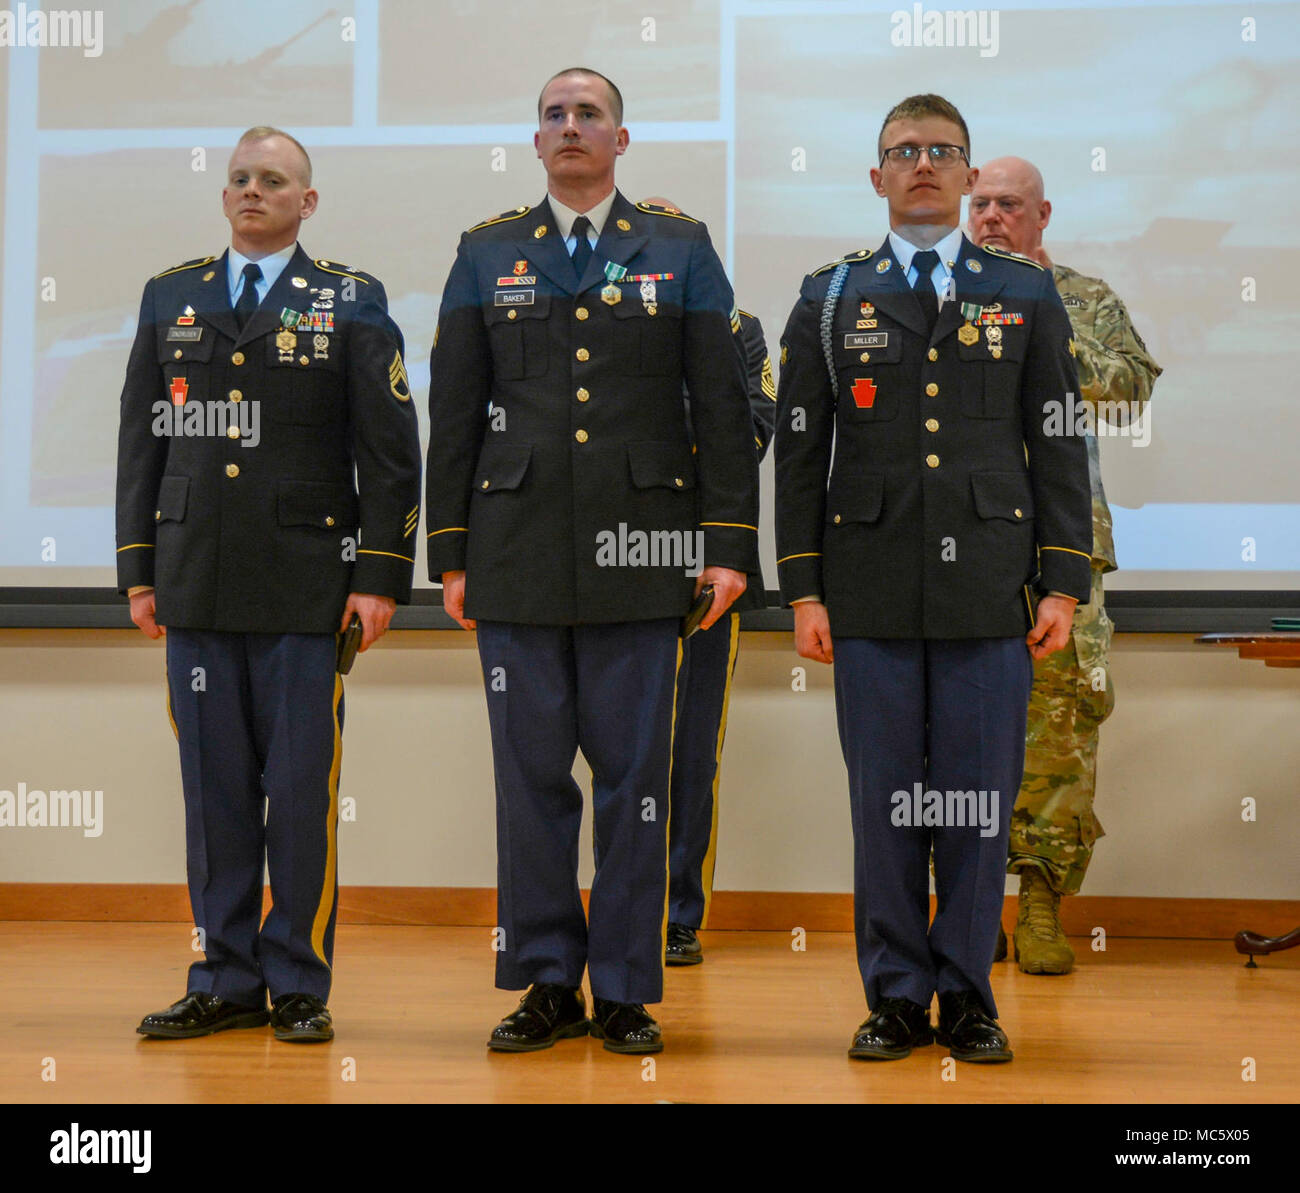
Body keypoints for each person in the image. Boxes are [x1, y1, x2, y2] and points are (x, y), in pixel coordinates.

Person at [426, 69, 760, 1054]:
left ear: (621, 139)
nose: (569, 128)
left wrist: (728, 544)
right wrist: (450, 549)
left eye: (589, 115)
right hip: (516, 551)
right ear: (535, 142)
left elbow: (724, 410)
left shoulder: (680, 246)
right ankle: (542, 980)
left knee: (635, 782)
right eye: (553, 116)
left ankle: (622, 984)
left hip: (645, 554)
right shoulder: (487, 251)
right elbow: (454, 413)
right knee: (529, 781)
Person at [774, 94, 1091, 1063]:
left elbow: (1058, 441)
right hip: (866, 590)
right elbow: (797, 452)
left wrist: (1061, 580)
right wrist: (803, 588)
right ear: (876, 177)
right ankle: (894, 995)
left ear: (964, 175)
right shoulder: (829, 295)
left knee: (974, 801)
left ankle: (967, 991)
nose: (922, 164)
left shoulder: (1023, 292)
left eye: (941, 152)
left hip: (987, 587)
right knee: (884, 804)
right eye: (902, 152)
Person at [117, 126, 421, 1043]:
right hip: (196, 580)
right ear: (224, 198)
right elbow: (142, 445)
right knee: (212, 792)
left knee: (296, 790)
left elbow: (391, 456)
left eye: (275, 180)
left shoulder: (351, 302)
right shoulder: (172, 295)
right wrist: (139, 571)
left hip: (304, 586)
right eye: (241, 179)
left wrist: (378, 578)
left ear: (307, 202)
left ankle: (296, 980)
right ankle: (222, 975)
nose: (255, 191)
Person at [968, 157, 1162, 973]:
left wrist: (1045, 333)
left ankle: (1041, 903)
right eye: (980, 204)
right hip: (962, 548)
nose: (991, 218)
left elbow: (1128, 391)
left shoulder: (1079, 298)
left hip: (1064, 548)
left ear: (1042, 214)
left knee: (1060, 730)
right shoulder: (937, 295)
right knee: (958, 730)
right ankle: (968, 914)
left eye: (1009, 205)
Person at [635, 196, 777, 968]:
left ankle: (679, 911)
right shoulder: (594, 318)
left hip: (701, 569)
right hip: (604, 560)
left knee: (691, 749)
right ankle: (620, 901)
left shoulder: (737, 325)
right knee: (617, 751)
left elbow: (755, 421)